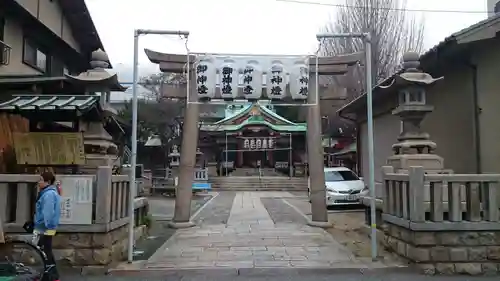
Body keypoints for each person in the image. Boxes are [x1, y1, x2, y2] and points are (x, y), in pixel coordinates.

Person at [34, 171, 61, 281]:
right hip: (48, 227)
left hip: (45, 227)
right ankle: (48, 275)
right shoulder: (50, 192)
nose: (39, 182)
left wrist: (45, 226)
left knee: (44, 250)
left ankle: (51, 275)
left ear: (48, 181)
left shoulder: (49, 194)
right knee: (45, 250)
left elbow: (48, 213)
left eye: (41, 180)